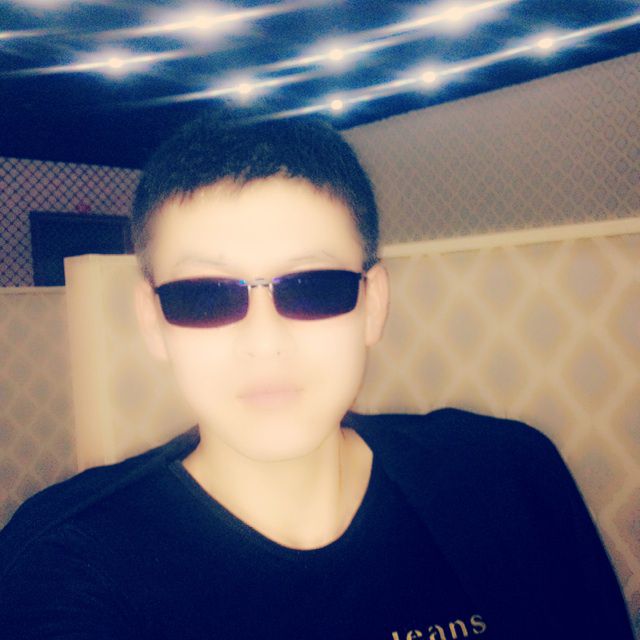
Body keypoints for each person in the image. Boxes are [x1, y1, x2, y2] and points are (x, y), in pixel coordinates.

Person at [0, 113, 634, 640]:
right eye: (204, 296)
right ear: (153, 322)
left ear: (373, 305)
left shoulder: (508, 478)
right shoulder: (65, 563)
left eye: (313, 287)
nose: (264, 342)